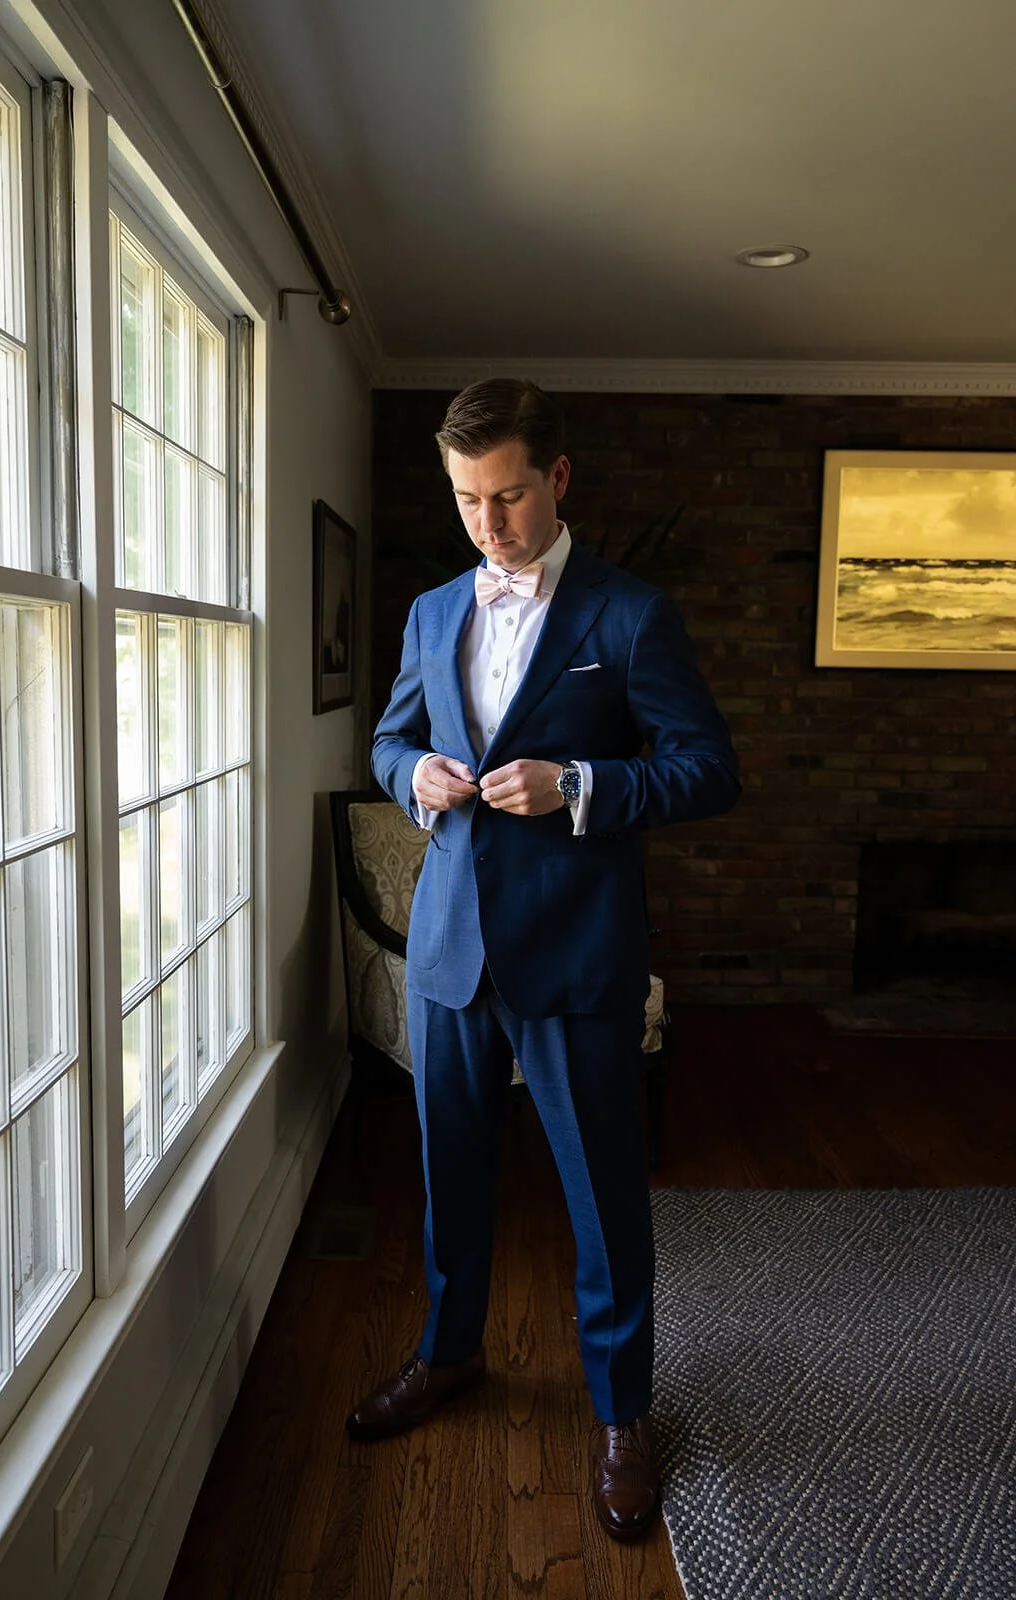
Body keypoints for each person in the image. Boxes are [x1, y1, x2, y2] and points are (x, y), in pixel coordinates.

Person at [348, 378, 740, 1541]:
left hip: (578, 959)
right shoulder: (430, 612)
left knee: (604, 1204)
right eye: (468, 498)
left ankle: (623, 1411)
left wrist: (582, 786)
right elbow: (387, 737)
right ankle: (448, 1353)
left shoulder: (630, 616)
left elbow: (709, 769)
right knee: (453, 1183)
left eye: (508, 495)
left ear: (557, 479)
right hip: (450, 953)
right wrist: (407, 773)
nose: (489, 523)